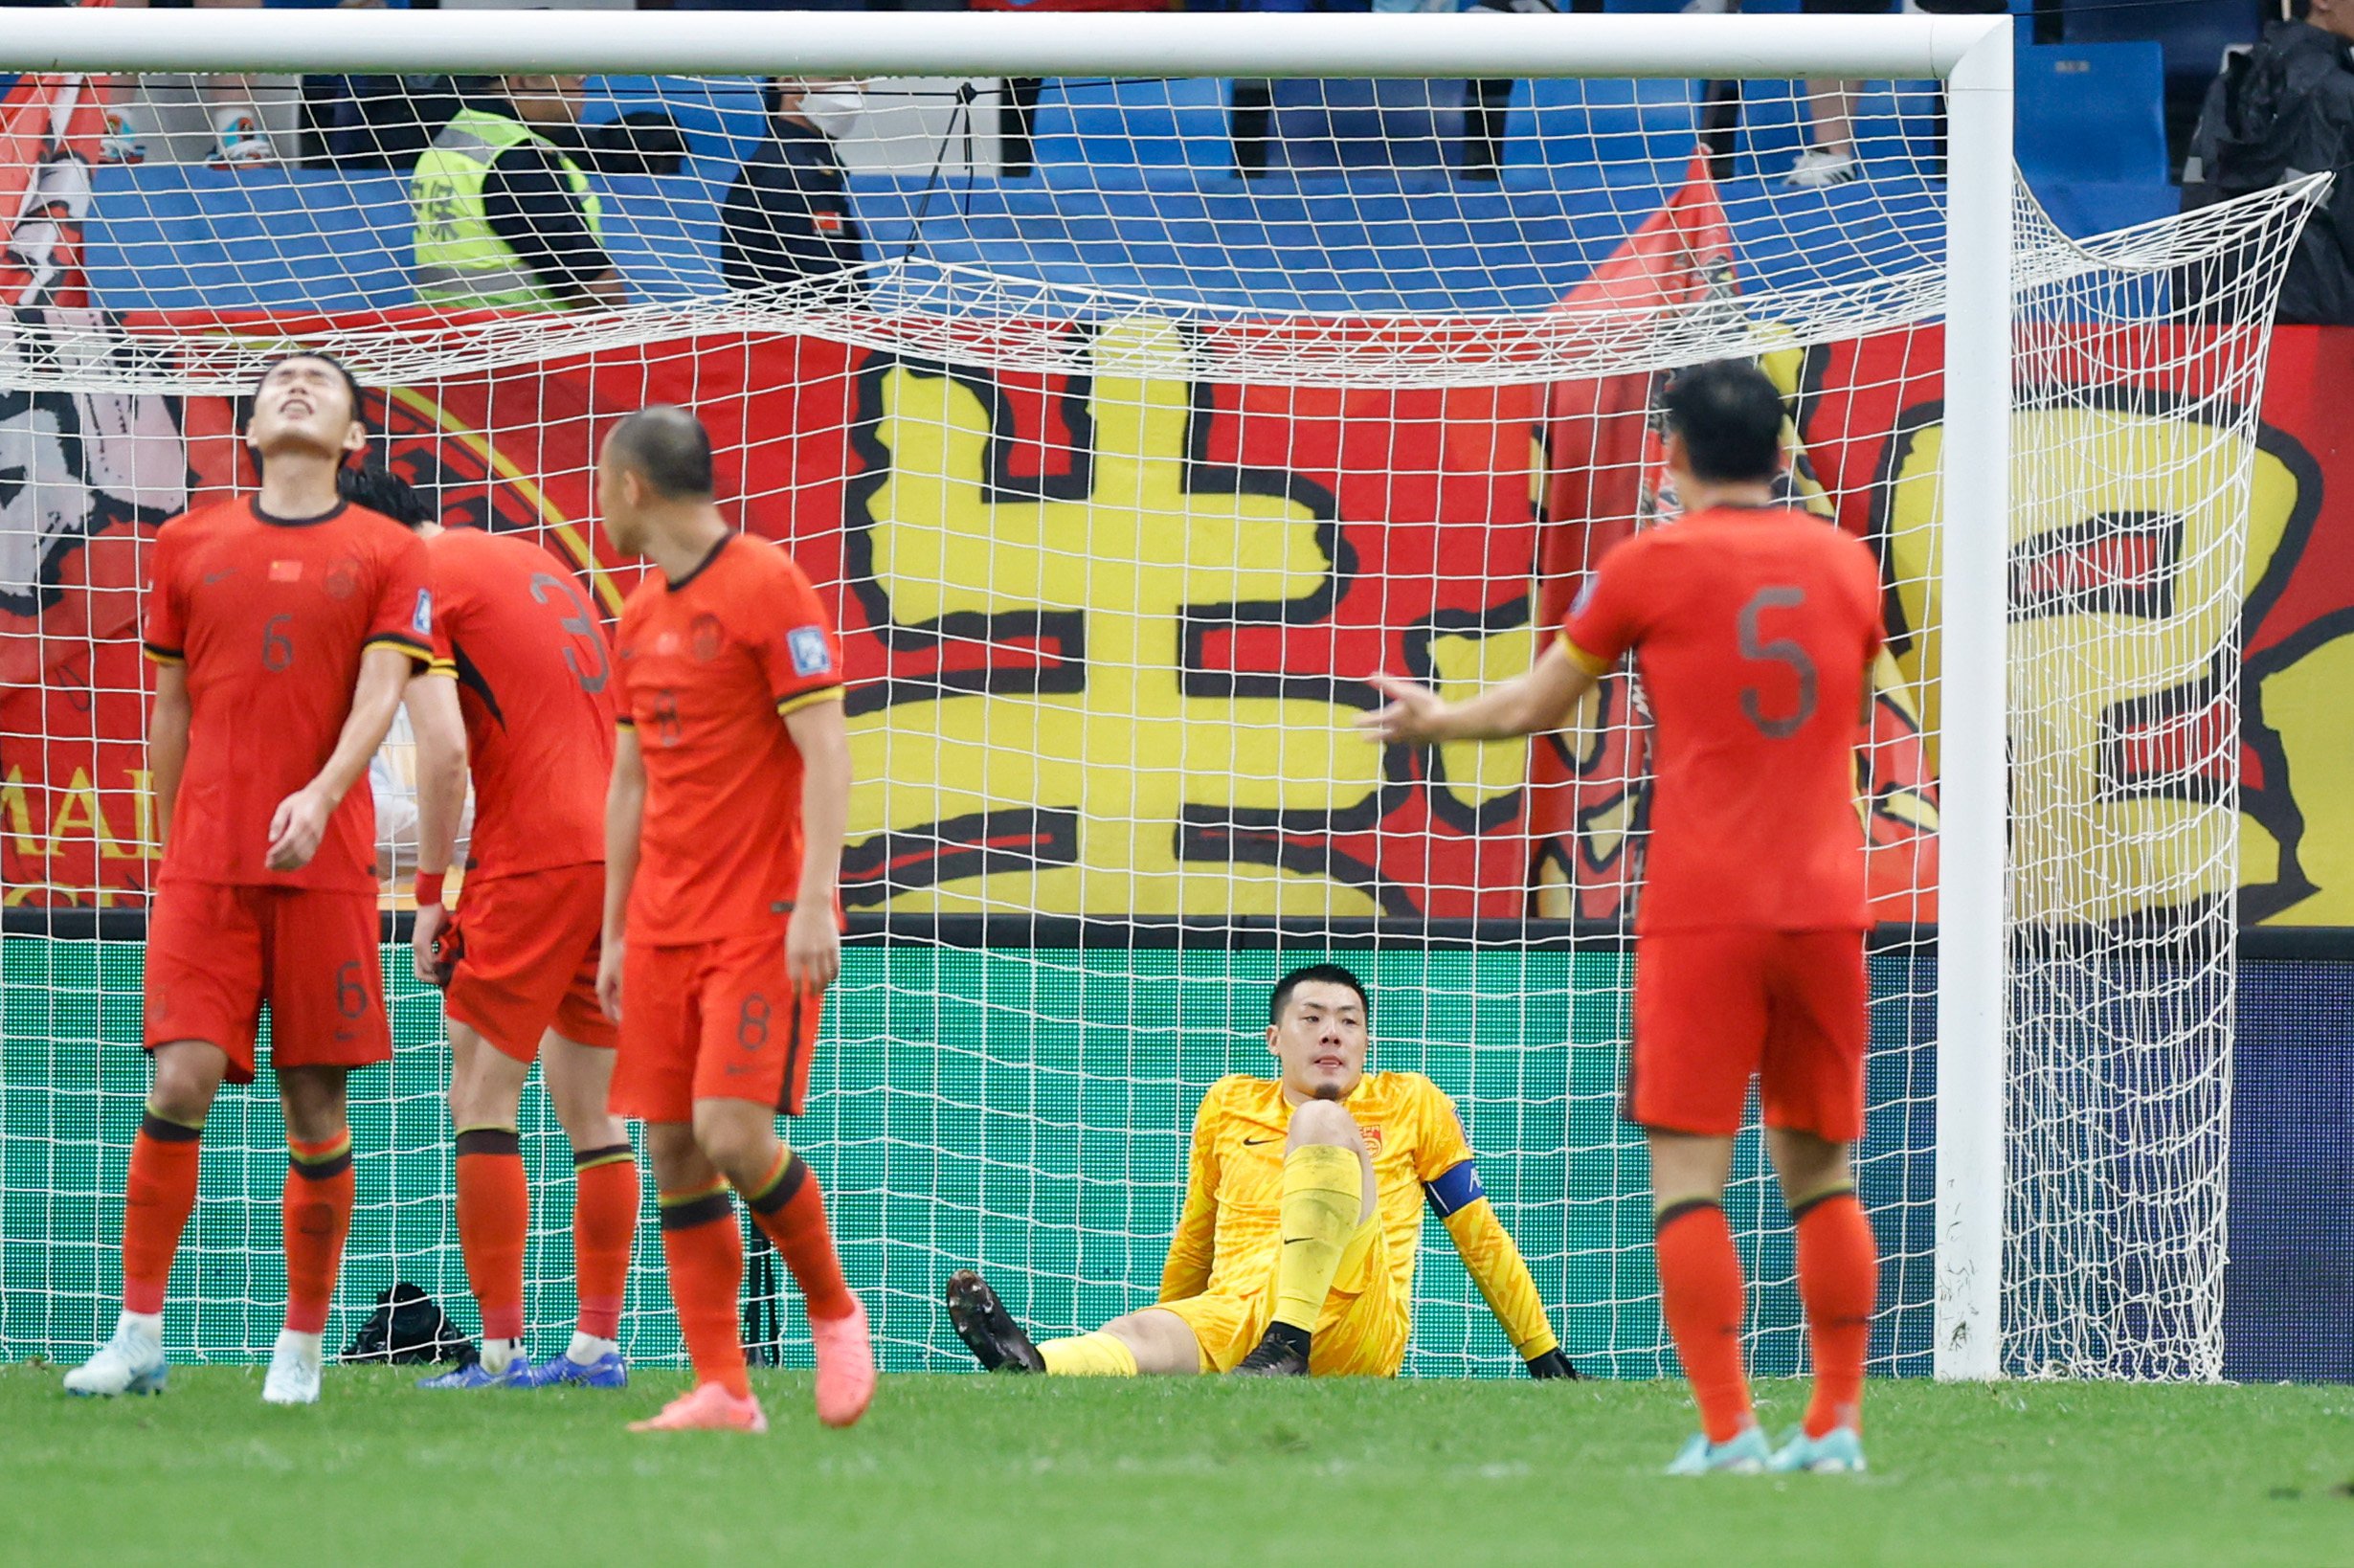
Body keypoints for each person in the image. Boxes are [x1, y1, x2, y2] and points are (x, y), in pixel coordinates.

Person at [1358, 360, 1884, 1474]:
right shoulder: (1846, 567)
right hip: (1827, 907)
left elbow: (1539, 706)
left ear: (1670, 457)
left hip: (1702, 910)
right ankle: (1834, 1425)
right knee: (1821, 1177)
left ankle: (1729, 1430)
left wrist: (1432, 719)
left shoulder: (1647, 564)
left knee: (1689, 1182)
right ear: (1785, 460)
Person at [64, 352, 436, 1405]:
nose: (297, 385)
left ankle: (302, 1348)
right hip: (206, 871)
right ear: (252, 429)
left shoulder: (387, 549)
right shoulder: (188, 543)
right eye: (279, 381)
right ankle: (138, 1334)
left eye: (321, 380)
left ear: (355, 439)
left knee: (313, 1110)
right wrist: (178, 846)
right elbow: (170, 707)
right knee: (177, 1080)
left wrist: (319, 797)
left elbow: (380, 694)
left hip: (327, 869)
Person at [594, 405, 875, 1433]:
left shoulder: (767, 582)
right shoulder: (634, 614)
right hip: (662, 924)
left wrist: (814, 902)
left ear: (631, 487)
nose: (597, 503)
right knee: (669, 1147)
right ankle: (723, 1386)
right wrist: (617, 930)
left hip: (757, 916)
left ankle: (835, 1313)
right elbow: (627, 783)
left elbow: (825, 749)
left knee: (729, 1132)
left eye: (599, 484)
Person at [335, 464, 644, 1393]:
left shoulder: (420, 583)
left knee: (480, 1095)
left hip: (531, 858)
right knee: (593, 1109)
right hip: (616, 854)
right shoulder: (532, 561)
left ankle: (501, 1354)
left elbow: (444, 749)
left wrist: (431, 892)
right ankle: (594, 1348)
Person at [945, 963, 1578, 1381]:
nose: (1332, 1032)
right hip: (1239, 1312)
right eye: (1312, 1018)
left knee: (1322, 1124)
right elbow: (1198, 1232)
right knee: (1133, 1333)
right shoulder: (1227, 1103)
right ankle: (1032, 1363)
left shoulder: (1411, 1102)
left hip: (1353, 1317)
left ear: (1365, 1041)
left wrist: (1542, 1353)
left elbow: (1479, 1234)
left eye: (1348, 1021)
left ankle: (1289, 1341)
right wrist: (1175, 1317)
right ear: (1274, 1039)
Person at [2182, 0, 2354, 325]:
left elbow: (2194, 211)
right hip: (2323, 334)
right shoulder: (2342, 96)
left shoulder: (2229, 81)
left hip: (2211, 325)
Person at [411, 73, 623, 311]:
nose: (583, 78)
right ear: (525, 80)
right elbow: (596, 289)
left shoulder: (454, 138)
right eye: (572, 69)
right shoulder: (516, 158)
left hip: (444, 334)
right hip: (528, 339)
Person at [719, 79, 868, 294]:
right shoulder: (793, 170)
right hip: (798, 323)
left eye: (860, 78)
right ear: (788, 82)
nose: (853, 88)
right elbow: (826, 291)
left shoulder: (801, 161)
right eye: (837, 75)